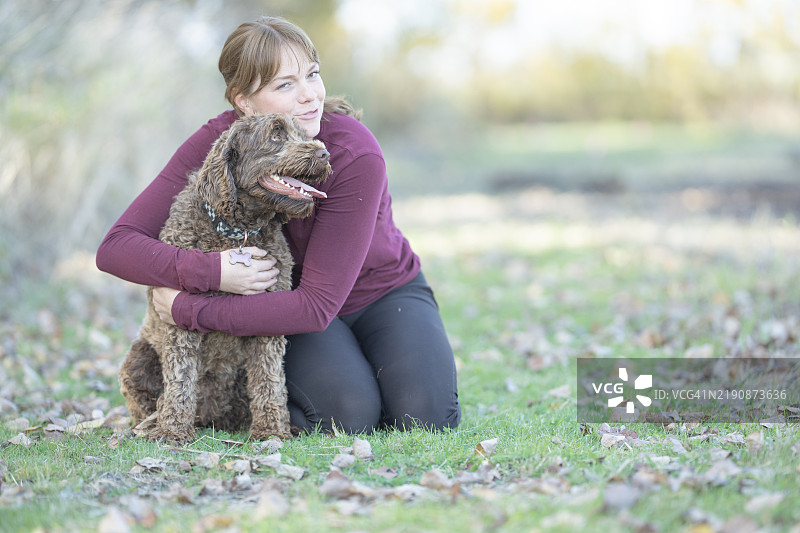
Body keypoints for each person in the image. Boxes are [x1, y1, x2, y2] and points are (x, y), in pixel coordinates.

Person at [96, 16, 461, 435]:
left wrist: (190, 308)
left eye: (313, 74)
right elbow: (117, 247)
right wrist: (213, 272)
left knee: (426, 417)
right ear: (244, 102)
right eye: (285, 85)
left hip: (382, 294)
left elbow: (319, 304)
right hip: (285, 305)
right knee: (348, 415)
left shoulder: (354, 152)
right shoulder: (223, 145)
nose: (310, 96)